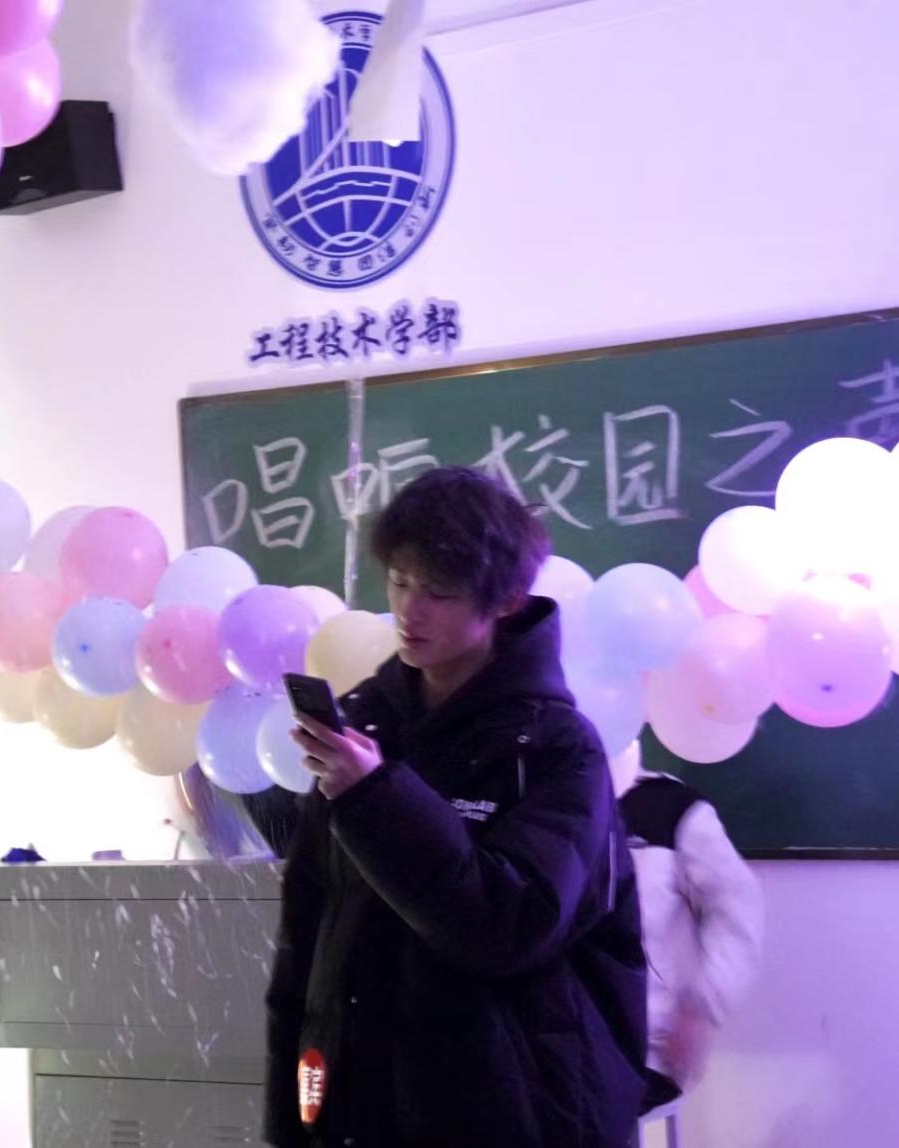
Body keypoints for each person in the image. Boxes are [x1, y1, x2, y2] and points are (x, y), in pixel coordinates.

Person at [260, 466, 647, 1148]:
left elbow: (508, 926)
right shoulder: (366, 725)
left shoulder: (557, 748)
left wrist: (375, 798)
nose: (409, 611)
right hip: (360, 1110)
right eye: (399, 582)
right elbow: (309, 936)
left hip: (514, 1117)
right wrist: (289, 1125)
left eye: (438, 592)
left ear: (505, 601)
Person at [610, 741, 764, 1114]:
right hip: (540, 1045)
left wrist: (701, 1006)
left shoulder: (669, 806)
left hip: (642, 1053)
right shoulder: (533, 797)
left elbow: (738, 905)